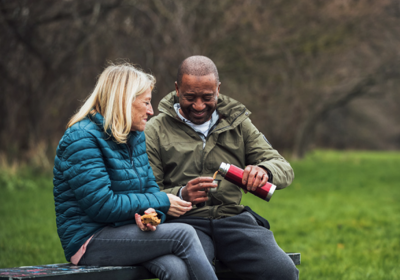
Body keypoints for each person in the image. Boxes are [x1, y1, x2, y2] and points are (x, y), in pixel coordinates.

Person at [53, 63, 218, 280]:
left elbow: (149, 189)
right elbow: (102, 205)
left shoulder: (135, 136)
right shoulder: (82, 139)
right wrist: (163, 202)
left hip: (128, 230)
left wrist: (151, 216)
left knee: (176, 269)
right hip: (89, 240)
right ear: (123, 101)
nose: (151, 111)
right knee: (184, 233)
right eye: (146, 103)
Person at [145, 56, 299, 280]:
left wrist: (265, 170)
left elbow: (284, 169)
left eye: (207, 97)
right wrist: (181, 194)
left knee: (282, 272)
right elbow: (148, 192)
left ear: (218, 89)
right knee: (193, 273)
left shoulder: (238, 123)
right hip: (184, 224)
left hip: (233, 220)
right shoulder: (155, 129)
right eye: (190, 97)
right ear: (177, 89)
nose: (199, 106)